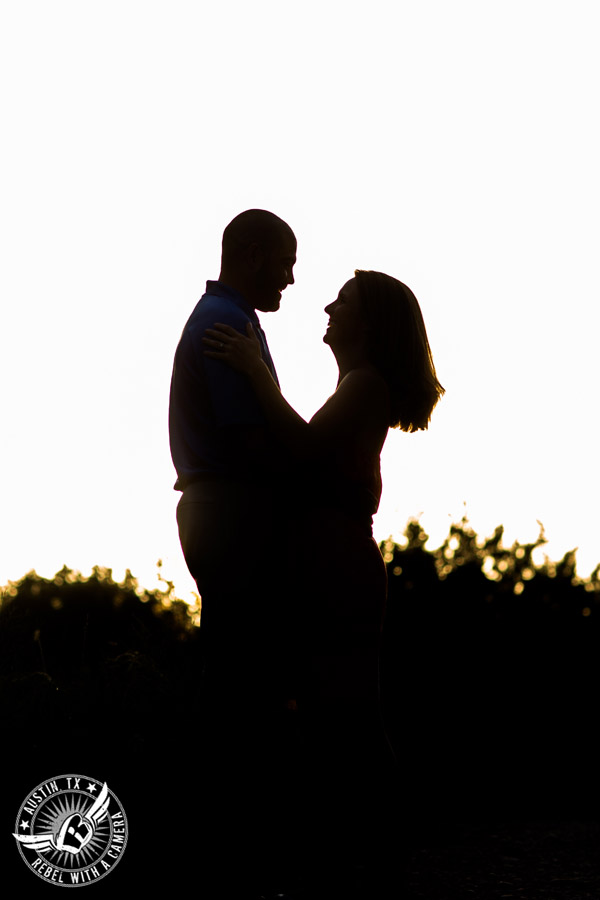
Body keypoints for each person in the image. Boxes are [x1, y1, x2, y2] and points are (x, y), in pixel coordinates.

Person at [203, 269, 445, 889]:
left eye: (345, 302)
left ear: (366, 324)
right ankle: (359, 845)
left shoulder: (366, 385)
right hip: (324, 558)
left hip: (338, 562)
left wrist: (255, 373)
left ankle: (382, 847)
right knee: (329, 707)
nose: (330, 307)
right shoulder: (359, 384)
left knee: (348, 710)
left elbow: (303, 450)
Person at [168, 209, 298, 891]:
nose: (291, 279)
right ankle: (238, 860)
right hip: (232, 513)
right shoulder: (226, 324)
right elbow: (252, 439)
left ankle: (231, 854)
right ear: (249, 254)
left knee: (240, 680)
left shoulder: (229, 318)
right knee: (246, 687)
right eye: (283, 263)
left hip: (222, 511)